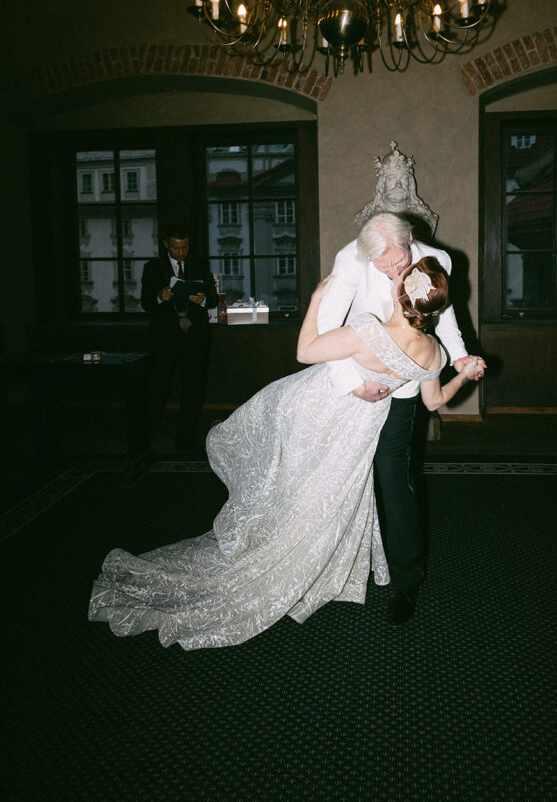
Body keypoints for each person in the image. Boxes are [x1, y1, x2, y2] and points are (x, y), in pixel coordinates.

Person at [88, 257, 484, 650]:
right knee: (321, 495)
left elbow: (306, 351)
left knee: (290, 484)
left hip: (318, 411)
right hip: (358, 430)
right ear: (437, 308)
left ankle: (274, 550)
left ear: (401, 294)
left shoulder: (367, 331)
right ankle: (297, 558)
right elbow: (433, 402)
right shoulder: (434, 353)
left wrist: (314, 300)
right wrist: (464, 373)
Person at [317, 212, 485, 624]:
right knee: (339, 473)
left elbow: (444, 315)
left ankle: (407, 580)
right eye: (383, 265)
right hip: (355, 377)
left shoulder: (436, 259)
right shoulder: (350, 259)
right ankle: (328, 567)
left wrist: (459, 357)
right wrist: (353, 384)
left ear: (409, 237)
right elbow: (326, 323)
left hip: (404, 387)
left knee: (395, 480)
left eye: (397, 260)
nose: (394, 271)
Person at [141, 223, 218, 451]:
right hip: (165, 340)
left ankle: (185, 439)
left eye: (184, 248)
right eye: (176, 248)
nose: (181, 253)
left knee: (193, 390)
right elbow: (146, 303)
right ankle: (146, 439)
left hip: (195, 339)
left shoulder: (199, 265)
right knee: (158, 389)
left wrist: (202, 299)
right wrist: (160, 296)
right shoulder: (153, 268)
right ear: (166, 245)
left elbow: (212, 300)